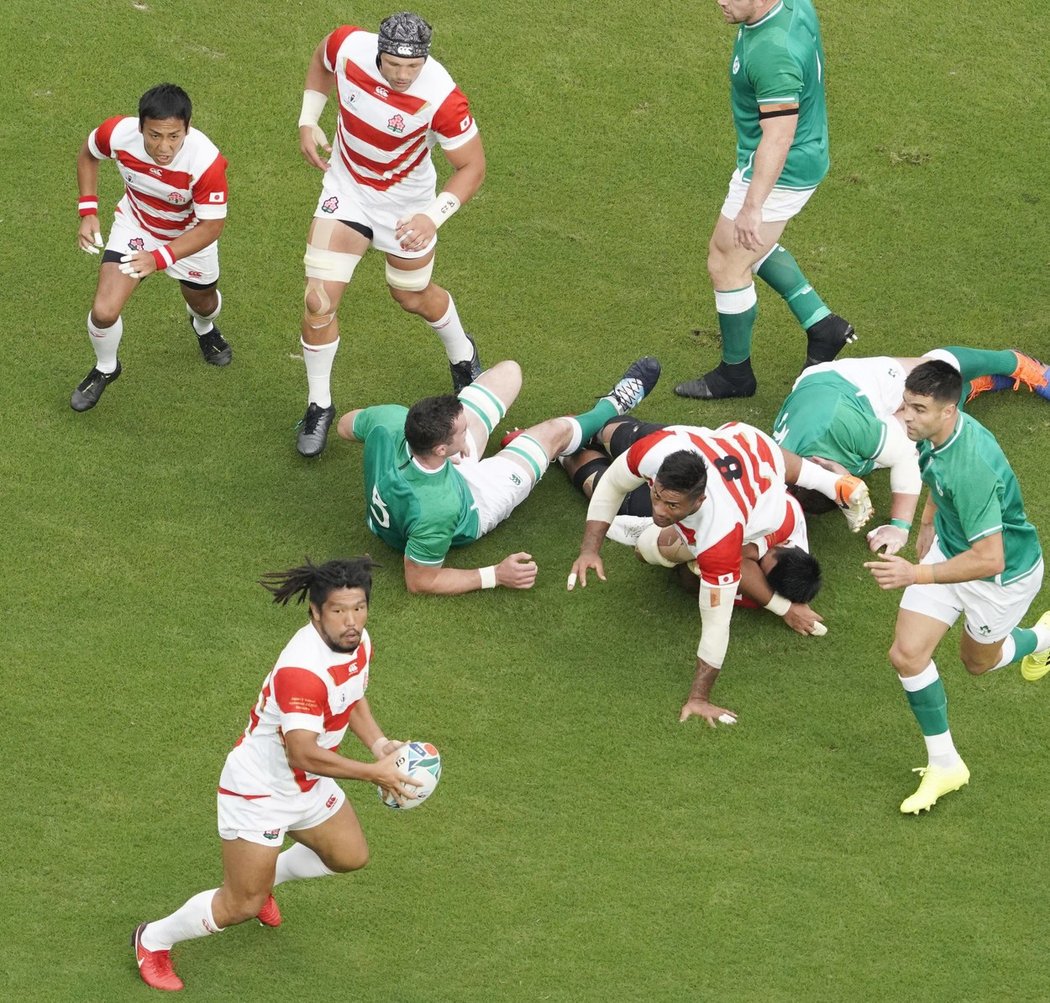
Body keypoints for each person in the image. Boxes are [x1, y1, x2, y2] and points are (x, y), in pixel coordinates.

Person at [132, 558, 420, 991]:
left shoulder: (357, 644)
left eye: (359, 608)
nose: (351, 621)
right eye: (339, 611)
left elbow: (352, 697)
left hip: (308, 782)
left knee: (349, 856)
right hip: (259, 791)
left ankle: (268, 880)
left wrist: (379, 745)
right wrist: (374, 773)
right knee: (240, 905)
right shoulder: (301, 671)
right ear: (315, 612)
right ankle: (152, 939)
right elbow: (302, 752)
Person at [567, 420, 873, 726]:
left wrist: (699, 697)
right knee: (616, 451)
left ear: (699, 500)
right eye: (658, 496)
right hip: (731, 447)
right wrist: (589, 549)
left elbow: (715, 621)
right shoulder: (657, 451)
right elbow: (616, 484)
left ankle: (573, 449)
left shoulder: (721, 533)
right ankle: (592, 425)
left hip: (737, 455)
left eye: (670, 504)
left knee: (650, 548)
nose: (659, 509)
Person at [294, 12, 487, 457]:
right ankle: (319, 404)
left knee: (412, 295)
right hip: (347, 192)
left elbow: (472, 167)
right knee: (318, 300)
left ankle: (462, 355)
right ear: (377, 49)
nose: (402, 76)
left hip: (407, 210)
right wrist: (309, 119)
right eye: (393, 64)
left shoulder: (443, 99)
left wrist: (432, 217)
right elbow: (321, 59)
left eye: (412, 67)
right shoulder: (347, 46)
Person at [863, 361, 1050, 814]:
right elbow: (934, 474)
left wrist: (915, 573)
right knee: (907, 655)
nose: (906, 417)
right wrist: (928, 520)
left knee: (976, 663)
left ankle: (1043, 637)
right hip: (950, 551)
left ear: (949, 411)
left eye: (918, 409)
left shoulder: (972, 468)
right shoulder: (933, 434)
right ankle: (946, 764)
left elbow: (991, 558)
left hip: (1000, 580)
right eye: (906, 405)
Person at [336, 357, 662, 594]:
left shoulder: (391, 421)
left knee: (509, 372)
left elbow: (345, 425)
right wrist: (496, 575)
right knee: (554, 432)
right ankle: (611, 407)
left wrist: (456, 445)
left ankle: (575, 441)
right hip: (475, 502)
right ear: (439, 449)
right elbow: (420, 581)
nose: (467, 436)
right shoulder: (439, 508)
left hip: (439, 472)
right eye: (462, 433)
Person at [675, 0, 854, 401]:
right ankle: (822, 326)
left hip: (780, 169)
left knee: (726, 259)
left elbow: (778, 136)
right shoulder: (790, 7)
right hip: (792, 155)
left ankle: (735, 375)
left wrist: (753, 204)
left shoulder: (773, 51)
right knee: (747, 245)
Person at [559, 417, 825, 635]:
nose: (756, 552)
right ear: (789, 545)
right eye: (767, 551)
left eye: (759, 563)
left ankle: (560, 451)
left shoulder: (755, 594)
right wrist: (782, 607)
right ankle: (598, 417)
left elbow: (689, 581)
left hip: (683, 513)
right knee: (619, 434)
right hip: (698, 463)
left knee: (595, 480)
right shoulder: (787, 517)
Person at [773, 347, 1050, 556]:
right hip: (822, 404)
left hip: (848, 384)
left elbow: (910, 452)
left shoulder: (849, 430)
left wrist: (900, 526)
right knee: (924, 424)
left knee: (934, 374)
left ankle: (1017, 364)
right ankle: (968, 389)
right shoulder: (774, 467)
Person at [71, 84, 231, 411]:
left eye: (174, 136)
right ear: (140, 125)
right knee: (103, 312)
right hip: (137, 227)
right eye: (155, 135)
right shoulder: (116, 133)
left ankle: (204, 327)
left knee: (204, 304)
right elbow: (88, 155)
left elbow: (211, 226)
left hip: (188, 239)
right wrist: (87, 212)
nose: (164, 147)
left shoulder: (205, 162)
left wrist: (160, 258)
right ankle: (106, 368)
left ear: (187, 128)